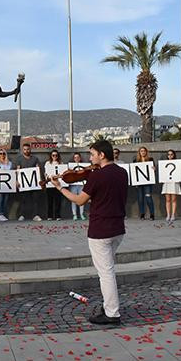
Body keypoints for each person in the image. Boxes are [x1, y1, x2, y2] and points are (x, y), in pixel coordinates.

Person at [50, 139, 128, 325]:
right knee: (108, 269)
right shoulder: (122, 172)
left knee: (106, 273)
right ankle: (110, 305)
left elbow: (79, 200)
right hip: (118, 228)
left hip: (101, 229)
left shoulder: (97, 176)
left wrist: (60, 187)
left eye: (92, 154)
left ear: (102, 155)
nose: (90, 158)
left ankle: (112, 313)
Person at [15, 143, 42, 221]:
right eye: (25, 149)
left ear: (30, 150)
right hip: (23, 184)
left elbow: (38, 169)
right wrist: (17, 180)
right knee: (23, 200)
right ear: (22, 150)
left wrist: (39, 179)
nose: (26, 151)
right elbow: (17, 170)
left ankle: (35, 215)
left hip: (34, 183)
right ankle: (22, 215)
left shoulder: (35, 159)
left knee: (35, 200)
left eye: (28, 149)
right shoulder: (19, 159)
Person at [133, 146, 155, 220]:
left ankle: (152, 214)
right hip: (139, 183)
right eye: (141, 151)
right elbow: (134, 172)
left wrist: (154, 169)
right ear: (139, 152)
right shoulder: (135, 160)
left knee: (148, 198)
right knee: (140, 199)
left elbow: (154, 170)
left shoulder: (150, 159)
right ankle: (142, 214)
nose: (143, 152)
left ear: (146, 152)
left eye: (144, 151)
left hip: (148, 182)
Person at [161, 149, 181, 223]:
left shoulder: (177, 163)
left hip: (174, 182)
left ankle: (173, 215)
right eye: (168, 154)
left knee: (173, 199)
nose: (170, 156)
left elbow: (179, 173)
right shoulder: (164, 163)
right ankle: (168, 215)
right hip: (167, 182)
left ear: (174, 155)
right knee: (167, 199)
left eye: (171, 154)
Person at [0, 149, 13, 221]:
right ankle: (0, 214)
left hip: (8, 184)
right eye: (0, 153)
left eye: (4, 153)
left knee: (6, 200)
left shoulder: (9, 163)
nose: (2, 155)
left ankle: (4, 214)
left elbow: (12, 173)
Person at [45, 150, 63, 220]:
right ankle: (50, 216)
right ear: (51, 156)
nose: (54, 157)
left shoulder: (61, 163)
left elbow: (62, 173)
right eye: (53, 155)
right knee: (50, 201)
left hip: (58, 184)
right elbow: (46, 173)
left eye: (56, 155)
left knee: (58, 201)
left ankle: (58, 215)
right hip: (50, 184)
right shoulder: (48, 163)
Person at [69, 152, 87, 221]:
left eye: (78, 157)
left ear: (80, 158)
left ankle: (81, 214)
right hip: (73, 184)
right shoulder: (71, 166)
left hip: (81, 184)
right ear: (73, 158)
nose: (77, 159)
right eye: (75, 157)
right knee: (73, 200)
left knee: (82, 199)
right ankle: (74, 214)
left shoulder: (83, 165)